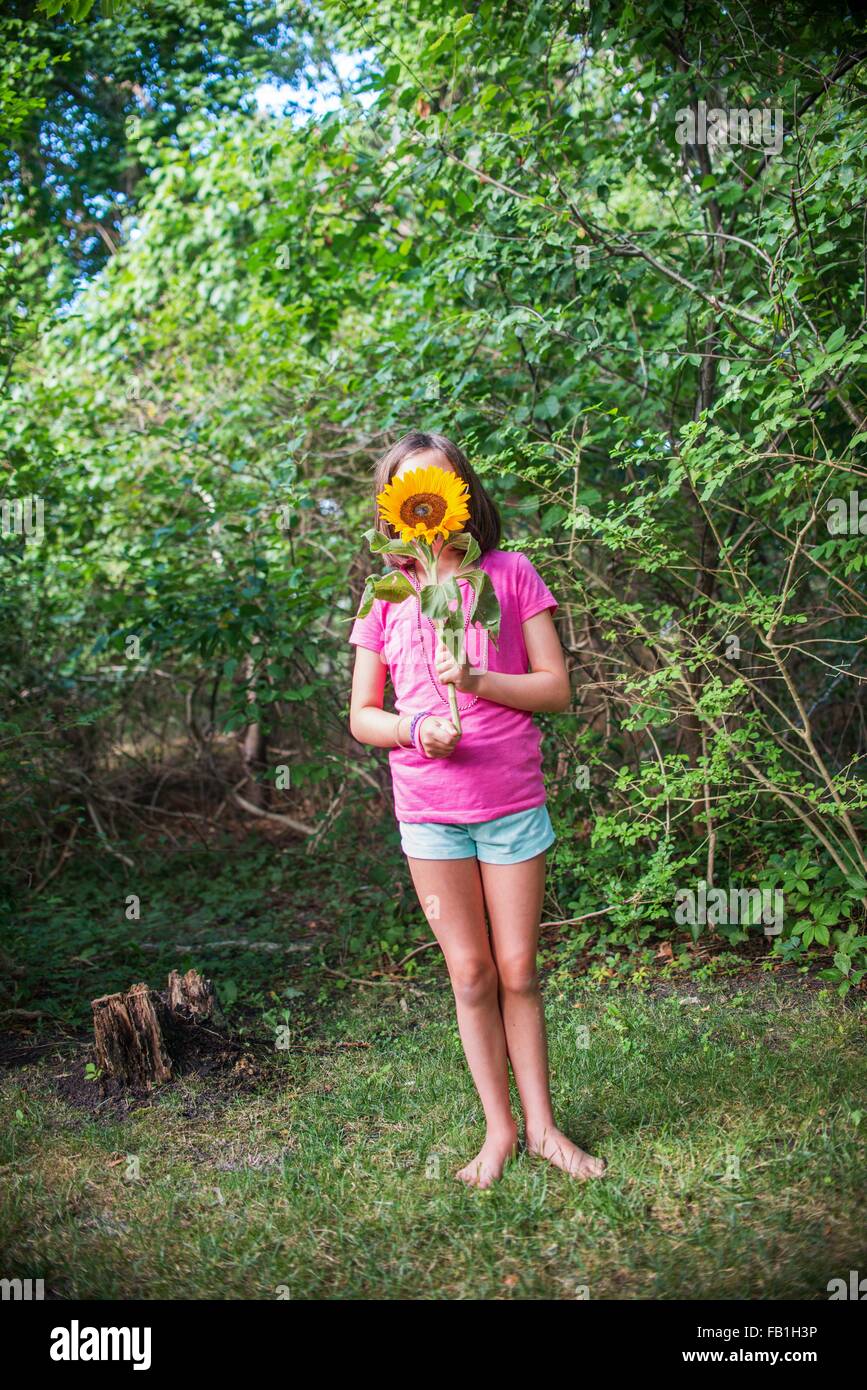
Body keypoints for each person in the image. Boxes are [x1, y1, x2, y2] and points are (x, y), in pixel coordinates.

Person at [349, 430, 606, 1188]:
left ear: (460, 491)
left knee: (518, 968)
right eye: (407, 487)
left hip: (510, 803)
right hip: (428, 810)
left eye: (436, 482)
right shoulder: (384, 592)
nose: (423, 499)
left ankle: (545, 1130)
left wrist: (479, 682)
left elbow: (556, 690)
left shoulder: (510, 574)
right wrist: (412, 728)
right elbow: (362, 715)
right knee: (468, 974)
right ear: (394, 505)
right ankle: (498, 1132)